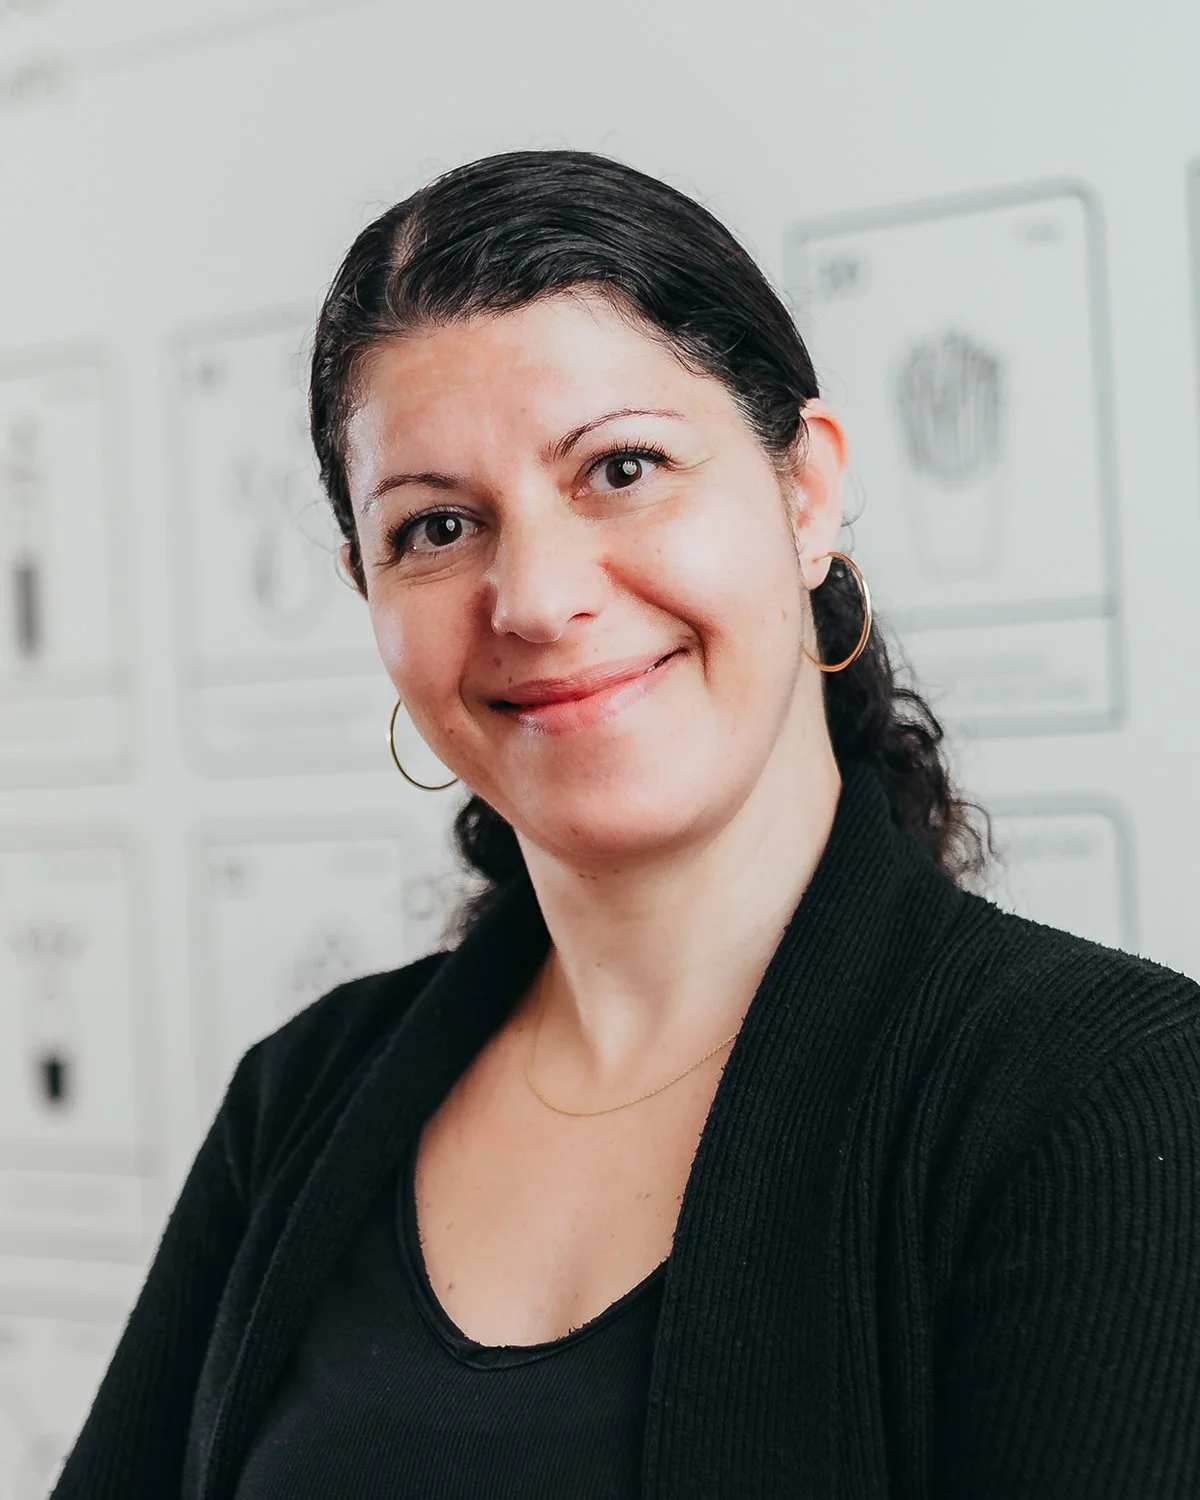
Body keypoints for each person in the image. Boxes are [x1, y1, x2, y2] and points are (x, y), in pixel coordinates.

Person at [54, 151, 1200, 1500]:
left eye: (623, 467)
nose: (534, 595)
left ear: (805, 489)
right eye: (435, 526)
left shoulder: (1101, 1102)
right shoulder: (300, 1100)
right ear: (365, 588)